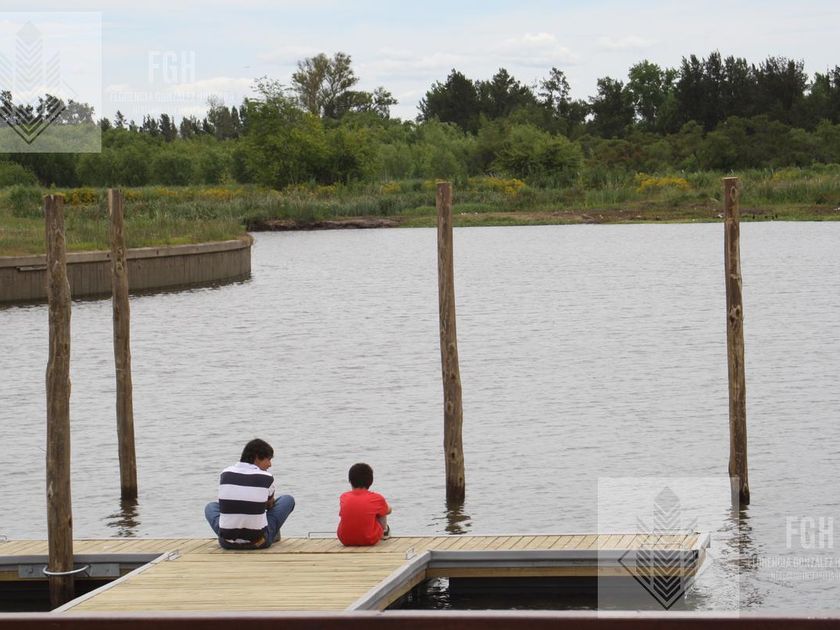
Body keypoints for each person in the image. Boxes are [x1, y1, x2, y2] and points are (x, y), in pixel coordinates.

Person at [204, 438, 295, 549]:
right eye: (268, 459)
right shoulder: (266, 477)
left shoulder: (225, 473)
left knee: (211, 507)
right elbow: (270, 505)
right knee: (287, 500)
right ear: (257, 457)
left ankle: (231, 534)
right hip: (258, 542)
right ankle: (271, 534)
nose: (270, 464)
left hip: (227, 542)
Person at [336, 462, 392, 546]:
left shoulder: (344, 497)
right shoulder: (377, 498)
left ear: (350, 481)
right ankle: (384, 532)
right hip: (369, 539)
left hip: (345, 539)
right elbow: (388, 510)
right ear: (371, 481)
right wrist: (388, 508)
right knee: (381, 511)